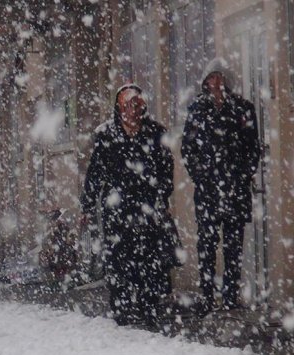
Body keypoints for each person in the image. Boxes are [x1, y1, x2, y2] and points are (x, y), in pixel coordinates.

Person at [80, 84, 178, 326]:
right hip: (117, 208)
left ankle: (149, 307)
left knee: (149, 258)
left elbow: (166, 169)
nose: (133, 110)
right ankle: (122, 307)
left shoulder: (155, 133)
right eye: (127, 105)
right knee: (118, 258)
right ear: (119, 107)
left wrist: (162, 197)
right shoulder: (106, 135)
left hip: (147, 206)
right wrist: (88, 205)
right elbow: (95, 172)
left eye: (137, 105)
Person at [181, 59, 261, 312]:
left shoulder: (243, 109)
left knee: (233, 245)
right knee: (206, 244)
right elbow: (188, 148)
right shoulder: (197, 109)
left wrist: (242, 174)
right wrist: (201, 175)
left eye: (220, 77)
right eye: (212, 78)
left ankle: (230, 296)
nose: (216, 83)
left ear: (228, 80)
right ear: (205, 82)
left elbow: (252, 148)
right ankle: (206, 295)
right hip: (208, 190)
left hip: (235, 189)